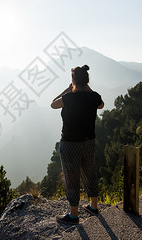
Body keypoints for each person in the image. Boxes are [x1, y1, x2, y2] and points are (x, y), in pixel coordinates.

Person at [50, 64, 104, 224]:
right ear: (86, 81)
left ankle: (74, 215)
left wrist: (68, 89)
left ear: (73, 80)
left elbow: (53, 104)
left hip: (70, 143)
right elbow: (101, 105)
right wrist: (85, 87)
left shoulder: (69, 98)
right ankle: (94, 206)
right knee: (89, 172)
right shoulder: (94, 96)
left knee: (71, 176)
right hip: (89, 141)